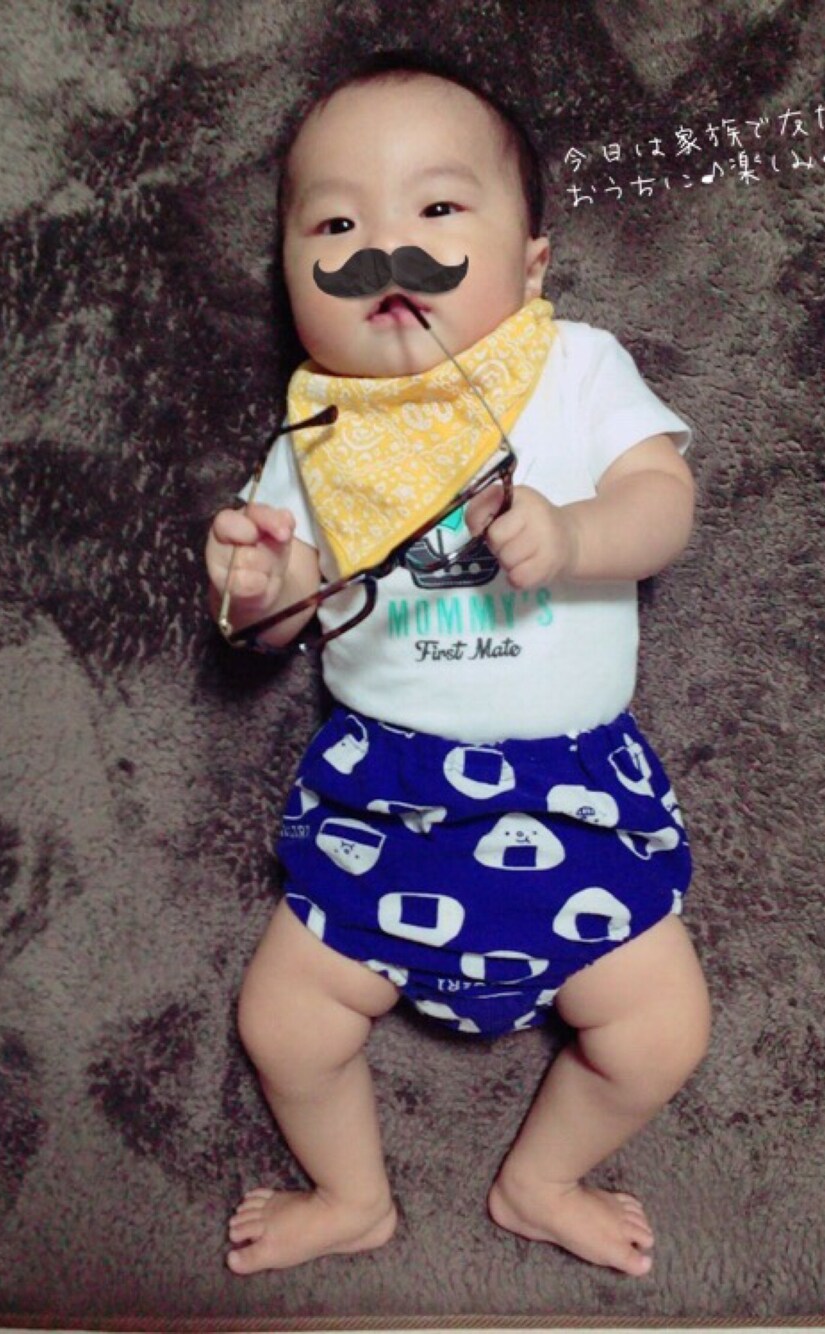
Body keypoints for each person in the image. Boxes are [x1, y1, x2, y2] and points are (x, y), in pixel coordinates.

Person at [205, 51, 711, 1279]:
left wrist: (578, 534)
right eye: (336, 224)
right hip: (389, 798)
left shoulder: (574, 367)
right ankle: (352, 1194)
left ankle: (541, 1177)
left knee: (658, 1031)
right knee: (284, 1017)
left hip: (573, 794)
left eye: (436, 207)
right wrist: (258, 587)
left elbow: (663, 499)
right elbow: (282, 622)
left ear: (530, 264)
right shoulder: (318, 428)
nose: (385, 248)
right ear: (290, 277)